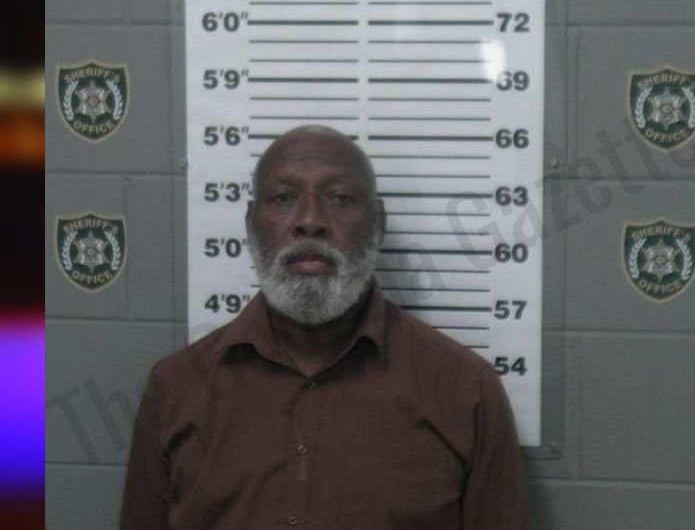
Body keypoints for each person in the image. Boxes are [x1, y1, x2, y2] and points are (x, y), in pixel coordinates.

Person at [119, 125, 531, 530]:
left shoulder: (466, 393)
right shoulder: (175, 389)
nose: (310, 221)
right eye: (283, 198)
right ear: (250, 224)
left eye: (340, 198)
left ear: (379, 225)